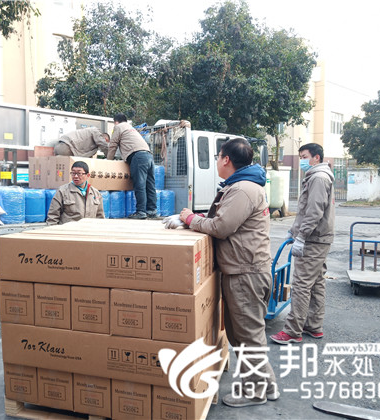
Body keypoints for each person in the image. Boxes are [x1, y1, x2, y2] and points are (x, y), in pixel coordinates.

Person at [169, 137, 278, 408]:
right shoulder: (241, 185)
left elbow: (221, 227)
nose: (217, 161)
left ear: (226, 159)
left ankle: (254, 392)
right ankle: (267, 384)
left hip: (246, 273)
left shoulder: (242, 189)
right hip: (244, 269)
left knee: (247, 336)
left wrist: (190, 219)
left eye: (218, 157)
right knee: (244, 334)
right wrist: (194, 220)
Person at [270, 143, 335, 345]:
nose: (302, 161)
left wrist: (301, 236)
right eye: (300, 157)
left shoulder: (318, 178)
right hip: (319, 238)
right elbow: (307, 211)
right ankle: (313, 325)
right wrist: (294, 230)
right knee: (316, 282)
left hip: (314, 239)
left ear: (316, 157)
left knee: (301, 285)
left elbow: (314, 212)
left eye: (305, 156)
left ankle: (292, 331)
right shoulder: (320, 176)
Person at [106, 113, 157, 219]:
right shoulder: (131, 128)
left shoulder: (118, 127)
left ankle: (141, 212)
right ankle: (152, 210)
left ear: (116, 122)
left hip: (138, 157)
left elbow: (113, 145)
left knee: (139, 184)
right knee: (150, 185)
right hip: (148, 155)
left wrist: (108, 162)